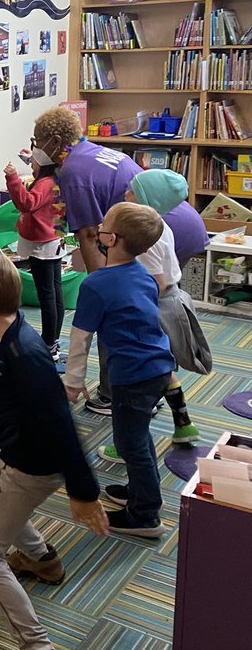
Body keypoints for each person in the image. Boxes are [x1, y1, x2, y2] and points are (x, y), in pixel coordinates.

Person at [0, 250, 108, 650]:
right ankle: (42, 560)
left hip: (31, 463)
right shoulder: (4, 335)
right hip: (16, 450)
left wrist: (84, 491)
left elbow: (62, 427)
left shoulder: (25, 355)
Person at [64, 202, 175, 537]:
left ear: (110, 239)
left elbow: (80, 339)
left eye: (104, 224)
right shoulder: (143, 273)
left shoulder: (96, 285)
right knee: (137, 436)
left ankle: (145, 515)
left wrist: (72, 383)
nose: (98, 226)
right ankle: (143, 490)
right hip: (158, 368)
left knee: (131, 444)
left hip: (133, 376)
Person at [32, 106, 140, 416]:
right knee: (137, 316)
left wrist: (100, 288)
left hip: (141, 237)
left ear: (54, 141)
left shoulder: (73, 172)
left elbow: (90, 235)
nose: (37, 147)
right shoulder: (90, 151)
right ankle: (143, 388)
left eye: (38, 140)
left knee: (112, 314)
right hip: (155, 230)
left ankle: (112, 394)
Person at [97, 170, 208, 462]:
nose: (125, 194)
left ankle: (127, 446)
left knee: (138, 380)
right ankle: (183, 423)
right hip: (170, 300)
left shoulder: (144, 241)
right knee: (163, 367)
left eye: (132, 192)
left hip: (155, 307)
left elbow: (153, 283)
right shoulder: (160, 227)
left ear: (147, 199)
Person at [4, 151, 65, 359]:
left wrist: (12, 178)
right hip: (54, 238)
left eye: (33, 163)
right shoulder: (56, 176)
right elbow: (40, 160)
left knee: (47, 294)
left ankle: (49, 344)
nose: (31, 166)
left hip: (43, 244)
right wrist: (32, 157)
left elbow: (26, 203)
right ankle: (53, 341)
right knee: (54, 292)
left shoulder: (44, 183)